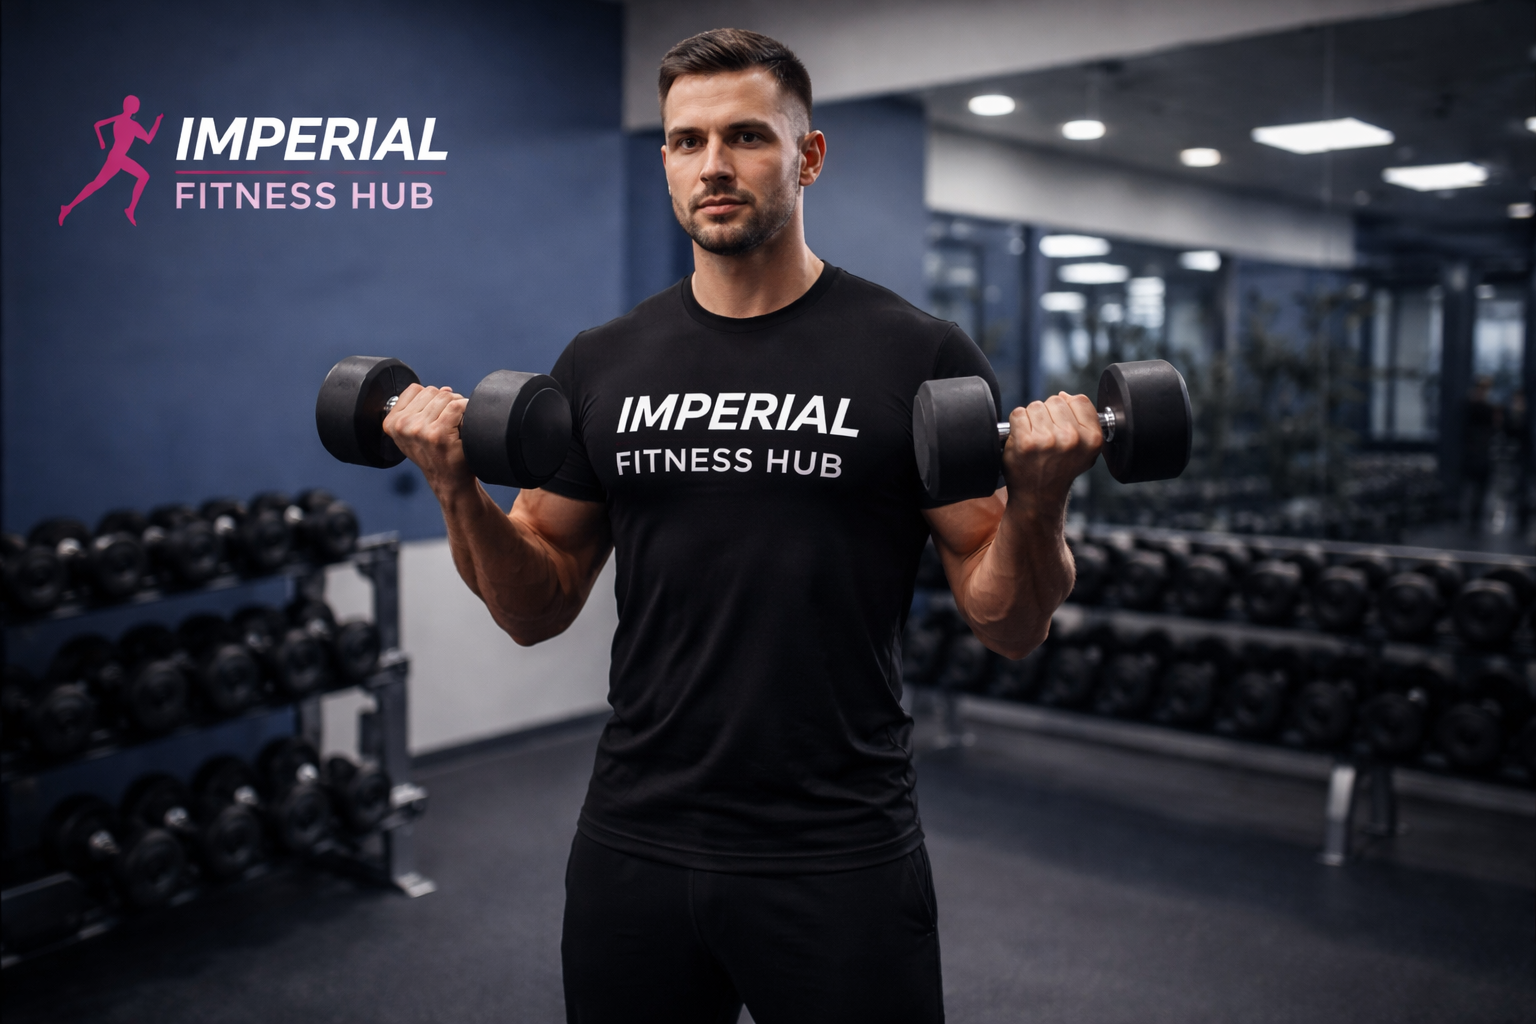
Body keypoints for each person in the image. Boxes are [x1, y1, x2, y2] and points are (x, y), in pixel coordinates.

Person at [383, 29, 1101, 1024]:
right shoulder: (603, 361)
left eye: (746, 136)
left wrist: (1039, 496)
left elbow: (1009, 620)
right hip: (634, 834)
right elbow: (535, 604)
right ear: (667, 161)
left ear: (807, 157)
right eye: (686, 142)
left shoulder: (917, 354)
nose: (712, 165)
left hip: (836, 845)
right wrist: (455, 487)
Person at [59, 95, 163, 227]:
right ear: (135, 108)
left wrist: (102, 142)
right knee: (98, 184)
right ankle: (129, 209)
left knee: (99, 183)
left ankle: (69, 207)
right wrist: (157, 121)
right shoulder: (133, 125)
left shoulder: (119, 119)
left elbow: (97, 125)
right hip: (116, 158)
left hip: (116, 157)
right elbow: (148, 139)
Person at [1461, 375, 1499, 533]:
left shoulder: (1476, 406)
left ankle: (1474, 518)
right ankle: (1472, 518)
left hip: (1479, 454)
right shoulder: (1477, 407)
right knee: (1475, 490)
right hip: (1476, 454)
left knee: (1478, 490)